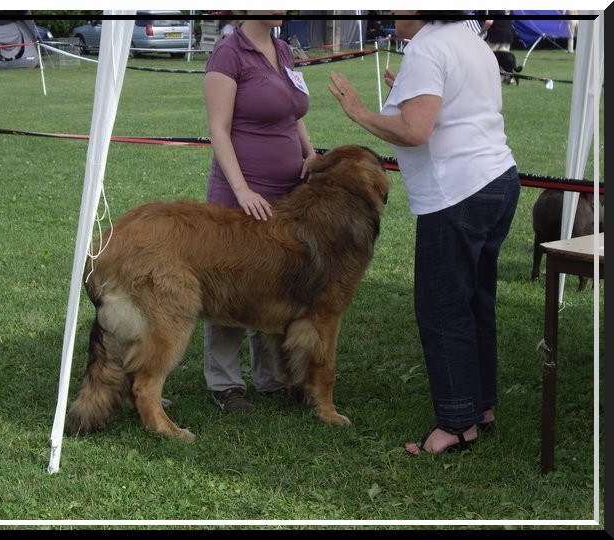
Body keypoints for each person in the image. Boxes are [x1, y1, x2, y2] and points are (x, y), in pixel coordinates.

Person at [329, 11, 520, 455]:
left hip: (457, 192)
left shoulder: (427, 47)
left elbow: (415, 131)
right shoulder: (469, 39)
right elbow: (455, 105)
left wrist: (359, 112)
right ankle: (481, 407)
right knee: (476, 301)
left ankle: (456, 426)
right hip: (497, 179)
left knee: (442, 309)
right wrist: (407, 93)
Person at [203, 11, 318, 412]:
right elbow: (218, 128)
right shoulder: (228, 54)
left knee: (273, 284)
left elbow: (292, 112)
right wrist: (241, 189)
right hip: (241, 195)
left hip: (286, 196)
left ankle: (271, 378)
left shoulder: (284, 49)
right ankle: (225, 383)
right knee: (228, 285)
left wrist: (310, 152)